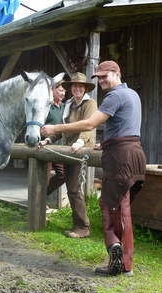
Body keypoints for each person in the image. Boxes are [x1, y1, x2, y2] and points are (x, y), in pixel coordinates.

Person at [41, 61, 146, 276]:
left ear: (117, 73)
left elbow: (90, 124)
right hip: (134, 153)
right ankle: (125, 263)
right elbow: (124, 126)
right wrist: (105, 142)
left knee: (111, 208)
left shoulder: (114, 96)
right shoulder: (132, 94)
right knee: (121, 208)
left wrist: (54, 128)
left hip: (121, 158)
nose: (100, 80)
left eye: (104, 76)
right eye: (98, 77)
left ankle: (119, 261)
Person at [41, 72, 97, 238]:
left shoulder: (90, 103)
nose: (77, 89)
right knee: (68, 183)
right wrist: (49, 139)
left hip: (80, 149)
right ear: (71, 88)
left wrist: (80, 142)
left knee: (73, 189)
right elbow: (62, 128)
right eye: (74, 86)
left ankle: (83, 227)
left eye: (80, 86)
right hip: (67, 149)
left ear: (85, 88)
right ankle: (78, 224)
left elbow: (89, 126)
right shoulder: (69, 104)